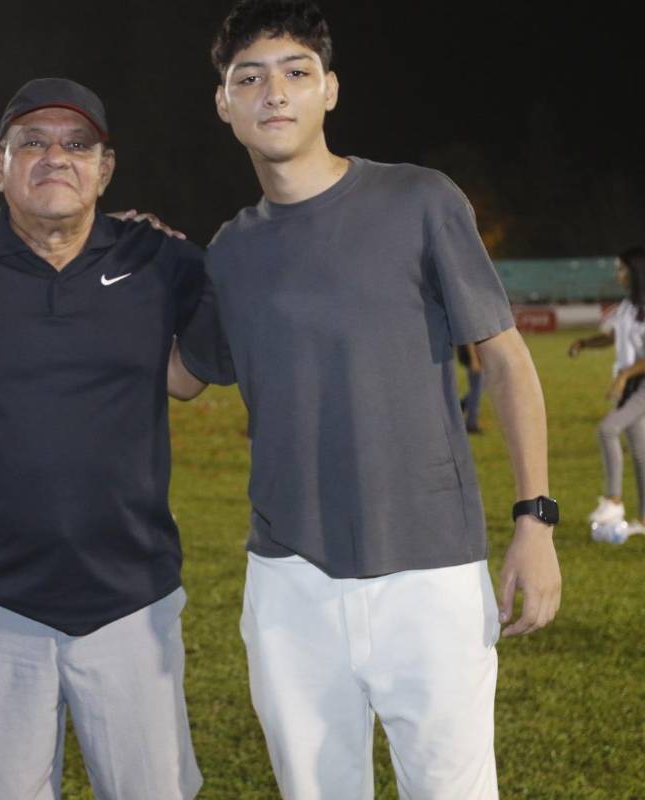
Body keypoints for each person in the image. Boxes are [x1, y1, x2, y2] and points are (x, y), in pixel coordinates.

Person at [172, 2, 562, 796]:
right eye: (248, 78)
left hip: (431, 574)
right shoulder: (231, 251)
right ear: (225, 103)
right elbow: (179, 375)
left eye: (295, 73)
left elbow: (507, 362)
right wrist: (112, 267)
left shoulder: (419, 200)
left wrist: (536, 519)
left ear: (330, 91)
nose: (272, 92)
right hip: (290, 583)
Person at [0, 78, 206, 800]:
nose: (55, 156)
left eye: (76, 143)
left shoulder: (162, 263)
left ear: (105, 168)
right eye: (32, 141)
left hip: (134, 603)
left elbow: (195, 374)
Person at [569, 244, 645, 542]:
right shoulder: (627, 307)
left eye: (621, 269)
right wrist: (585, 343)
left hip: (640, 384)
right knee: (640, 453)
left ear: (636, 272)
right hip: (631, 386)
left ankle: (613, 501)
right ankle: (643, 520)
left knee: (607, 429)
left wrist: (625, 375)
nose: (617, 274)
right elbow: (610, 335)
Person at [458, 342, 483, 433]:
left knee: (478, 388)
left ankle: (461, 404)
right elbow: (469, 338)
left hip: (474, 354)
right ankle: (471, 424)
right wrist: (474, 359)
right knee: (476, 390)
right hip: (473, 355)